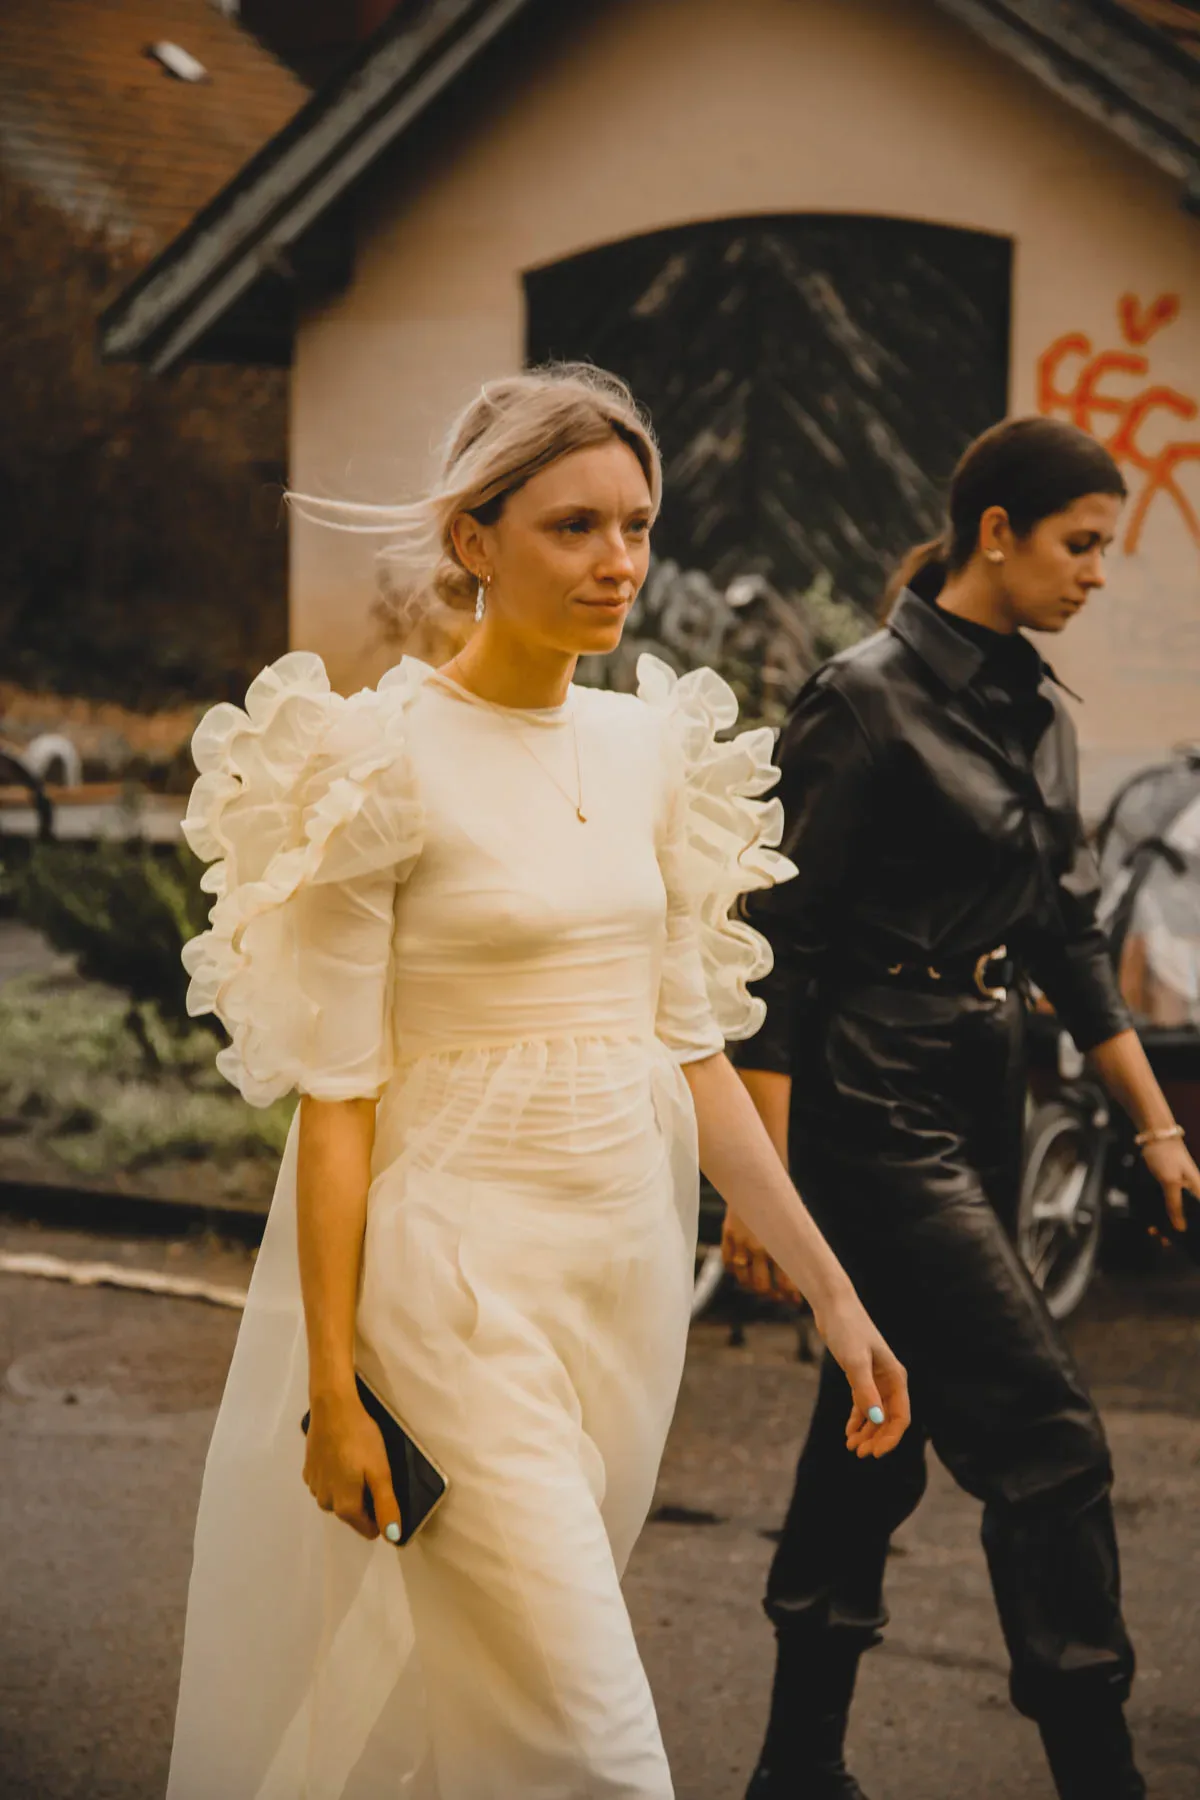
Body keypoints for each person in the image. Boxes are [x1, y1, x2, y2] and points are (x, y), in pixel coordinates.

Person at [165, 363, 910, 1800]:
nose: (618, 562)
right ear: (475, 538)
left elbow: (689, 1044)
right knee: (598, 1744)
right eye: (574, 527)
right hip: (450, 1287)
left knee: (500, 1707)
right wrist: (331, 1388)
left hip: (624, 1277)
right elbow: (337, 1104)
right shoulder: (372, 760)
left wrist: (831, 1287)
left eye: (636, 525)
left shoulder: (649, 749)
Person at [726, 415, 1200, 1800]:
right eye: (1081, 544)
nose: (1097, 575)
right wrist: (761, 1185)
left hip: (988, 1081)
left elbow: (1065, 936)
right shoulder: (859, 700)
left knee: (876, 1418)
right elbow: (774, 955)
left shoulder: (1041, 713)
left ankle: (795, 1769)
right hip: (874, 1098)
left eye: (1104, 548)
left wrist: (1156, 1124)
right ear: (996, 531)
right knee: (1046, 1440)